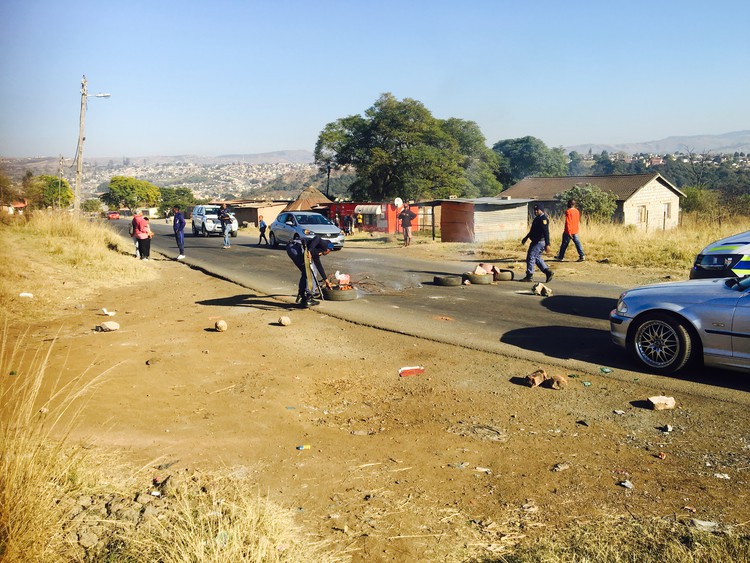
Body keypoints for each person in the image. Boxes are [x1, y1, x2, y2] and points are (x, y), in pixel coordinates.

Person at [286, 235, 333, 307]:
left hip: (292, 248)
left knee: (306, 272)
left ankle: (301, 295)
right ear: (328, 249)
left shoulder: (316, 253)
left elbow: (319, 266)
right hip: (297, 247)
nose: (328, 253)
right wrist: (309, 251)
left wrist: (326, 281)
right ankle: (309, 297)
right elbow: (317, 237)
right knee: (312, 271)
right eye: (330, 251)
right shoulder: (325, 244)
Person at [520, 204, 554, 283]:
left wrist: (547, 244)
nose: (535, 211)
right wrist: (526, 237)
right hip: (535, 241)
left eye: (537, 210)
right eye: (534, 210)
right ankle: (547, 272)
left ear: (541, 210)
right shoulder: (537, 219)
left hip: (539, 242)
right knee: (537, 258)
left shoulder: (543, 219)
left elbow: (546, 232)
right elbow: (532, 231)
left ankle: (529, 275)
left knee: (531, 257)